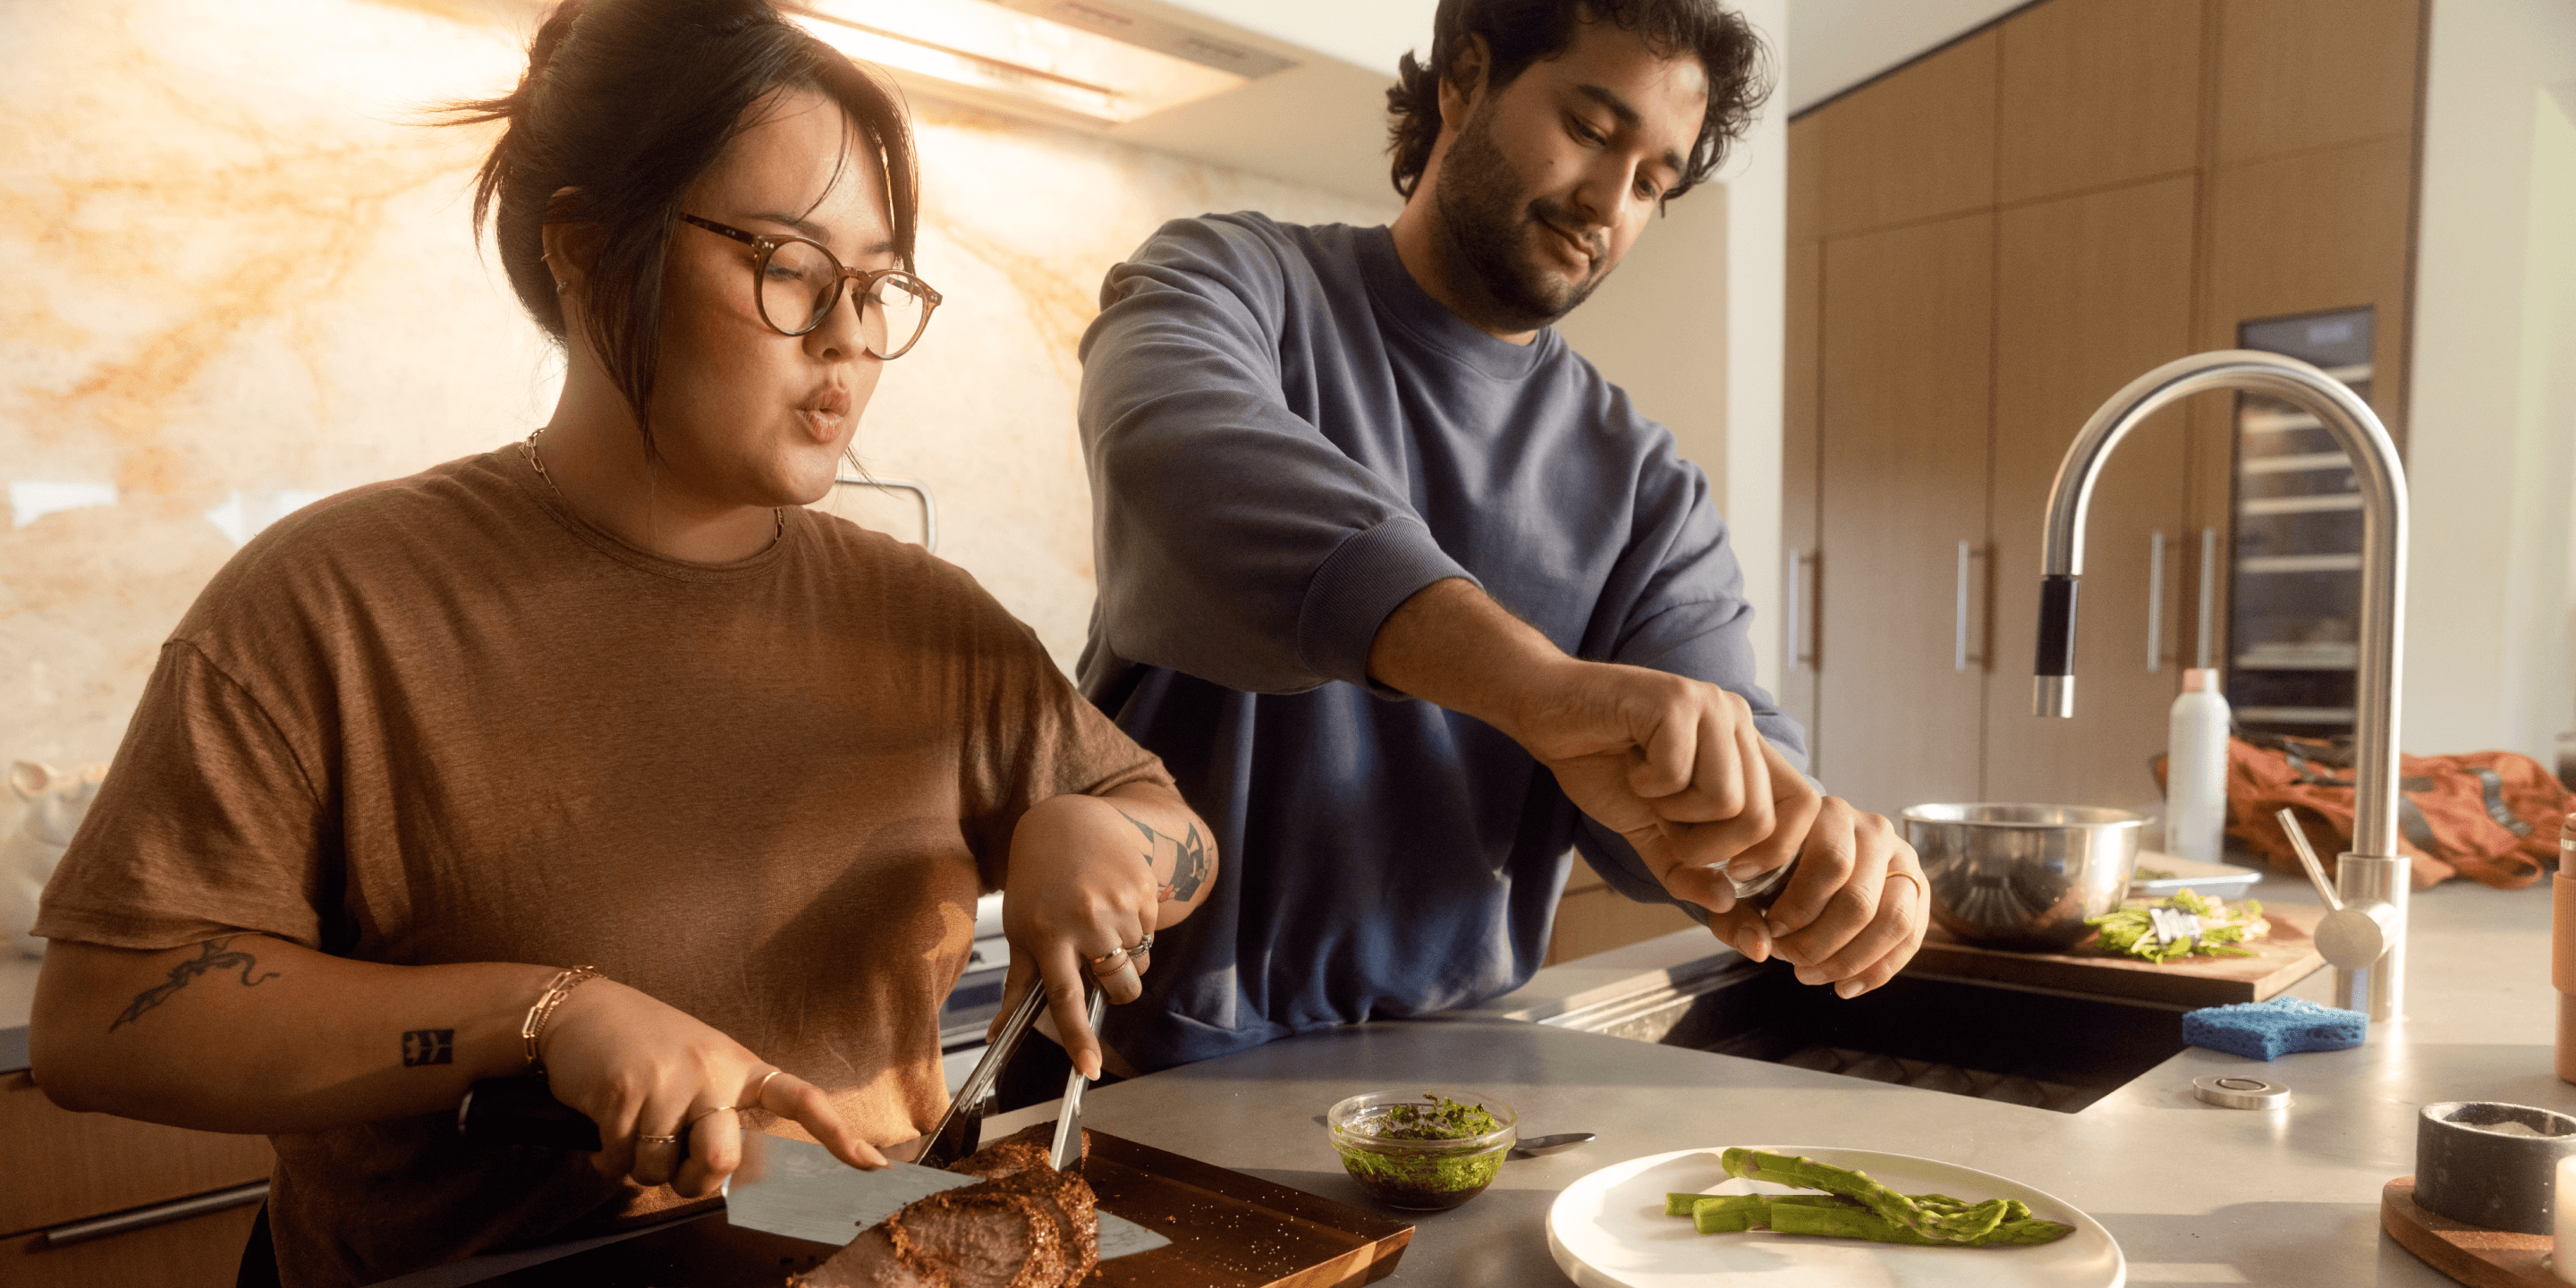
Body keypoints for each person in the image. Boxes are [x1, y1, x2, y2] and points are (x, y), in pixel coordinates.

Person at [25, 2, 1212, 1284]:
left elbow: (1173, 830)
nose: (850, 342)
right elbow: (101, 1025)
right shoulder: (334, 600)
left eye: (877, 287)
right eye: (791, 267)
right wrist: (536, 1016)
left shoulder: (932, 624)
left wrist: (1104, 836)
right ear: (590, 255)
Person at [1066, 0, 1927, 1079]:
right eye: (1592, 129)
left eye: (1654, 181)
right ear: (1463, 80)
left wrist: (1823, 862)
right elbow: (1180, 460)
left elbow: (1716, 775)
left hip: (1450, 1101)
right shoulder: (1233, 282)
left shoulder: (1646, 491)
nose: (1608, 204)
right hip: (1125, 1079)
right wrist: (1536, 688)